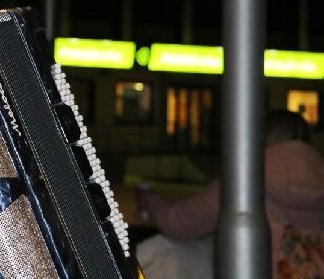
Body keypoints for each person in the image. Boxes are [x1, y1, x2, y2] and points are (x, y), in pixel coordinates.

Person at [136, 110, 324, 279]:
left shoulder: (245, 177)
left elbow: (178, 222)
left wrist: (153, 202)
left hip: (254, 271)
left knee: (162, 250)